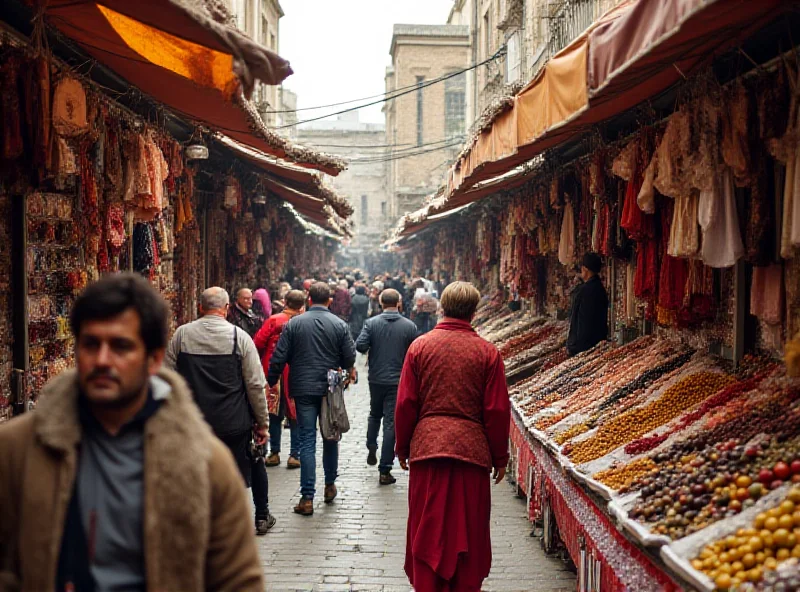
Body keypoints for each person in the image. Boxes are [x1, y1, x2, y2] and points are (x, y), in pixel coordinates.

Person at [0, 273, 264, 591]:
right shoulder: (18, 450)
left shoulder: (205, 462)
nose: (102, 360)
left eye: (120, 347)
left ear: (153, 360)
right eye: (91, 344)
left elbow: (238, 579)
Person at [396, 281, 510, 592]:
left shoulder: (420, 347)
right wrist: (501, 457)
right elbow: (497, 411)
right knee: (468, 532)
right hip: (471, 453)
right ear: (474, 311)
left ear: (442, 307)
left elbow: (406, 403)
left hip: (427, 449)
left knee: (426, 527)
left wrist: (402, 446)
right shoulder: (488, 353)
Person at [166, 287, 275, 535]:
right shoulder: (239, 338)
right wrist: (262, 423)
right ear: (226, 309)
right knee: (255, 460)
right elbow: (255, 385)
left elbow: (167, 380)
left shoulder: (182, 336)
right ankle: (261, 515)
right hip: (233, 422)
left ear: (201, 307)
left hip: (194, 423)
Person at [267, 282, 356, 516]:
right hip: (330, 387)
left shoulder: (294, 323)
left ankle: (307, 497)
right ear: (329, 301)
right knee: (330, 435)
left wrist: (271, 378)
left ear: (308, 299)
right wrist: (347, 368)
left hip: (303, 386)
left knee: (307, 440)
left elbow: (279, 356)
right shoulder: (339, 324)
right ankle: (329, 485)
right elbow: (349, 355)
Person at [356, 289, 417, 485]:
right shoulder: (409, 326)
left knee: (375, 414)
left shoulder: (371, 323)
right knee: (391, 422)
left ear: (381, 303)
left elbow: (360, 346)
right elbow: (416, 353)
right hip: (398, 380)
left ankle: (371, 444)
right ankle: (385, 469)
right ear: (399, 303)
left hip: (376, 378)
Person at [254, 289, 305, 469]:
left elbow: (258, 343)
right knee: (296, 414)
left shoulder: (274, 320)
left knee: (274, 413)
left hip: (273, 370)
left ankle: (274, 452)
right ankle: (295, 454)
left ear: (285, 302)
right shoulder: (304, 322)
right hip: (296, 371)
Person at [566, 252, 609, 356]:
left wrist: (575, 347)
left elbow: (583, 322)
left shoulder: (586, 291)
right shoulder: (600, 289)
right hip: (596, 344)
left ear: (585, 269)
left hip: (585, 347)